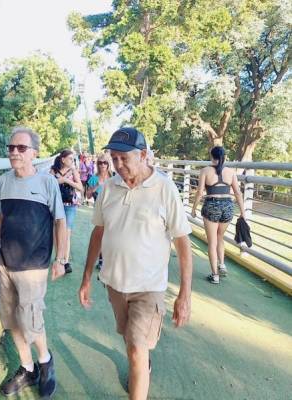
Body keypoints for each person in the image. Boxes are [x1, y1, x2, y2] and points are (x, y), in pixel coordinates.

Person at [79, 127, 193, 400]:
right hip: (115, 283)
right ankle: (140, 359)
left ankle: (139, 363)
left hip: (148, 287)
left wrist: (184, 294)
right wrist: (85, 278)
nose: (117, 165)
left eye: (123, 158)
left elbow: (183, 242)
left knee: (136, 349)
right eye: (113, 158)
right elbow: (98, 232)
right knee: (129, 339)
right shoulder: (108, 188)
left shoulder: (164, 188)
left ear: (143, 155)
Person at [0, 126, 67, 398]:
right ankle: (27, 367)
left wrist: (61, 259)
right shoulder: (3, 182)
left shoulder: (46, 182)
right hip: (6, 263)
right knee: (12, 321)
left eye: (21, 148)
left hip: (34, 266)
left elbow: (60, 221)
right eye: (11, 148)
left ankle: (45, 363)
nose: (14, 152)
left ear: (34, 153)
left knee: (31, 321)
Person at [191, 146, 245, 284]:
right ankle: (222, 264)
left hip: (212, 205)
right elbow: (238, 193)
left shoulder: (205, 171)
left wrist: (193, 209)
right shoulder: (231, 172)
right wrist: (243, 213)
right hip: (228, 206)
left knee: (212, 241)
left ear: (211, 155)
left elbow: (200, 192)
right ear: (224, 157)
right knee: (220, 237)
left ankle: (215, 275)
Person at [50, 149, 83, 274]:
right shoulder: (53, 171)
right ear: (63, 159)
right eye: (70, 158)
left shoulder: (73, 171)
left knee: (67, 233)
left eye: (73, 159)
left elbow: (80, 187)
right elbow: (49, 184)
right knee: (56, 232)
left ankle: (65, 261)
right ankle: (58, 258)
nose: (72, 161)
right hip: (56, 205)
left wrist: (66, 180)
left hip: (69, 205)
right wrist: (58, 180)